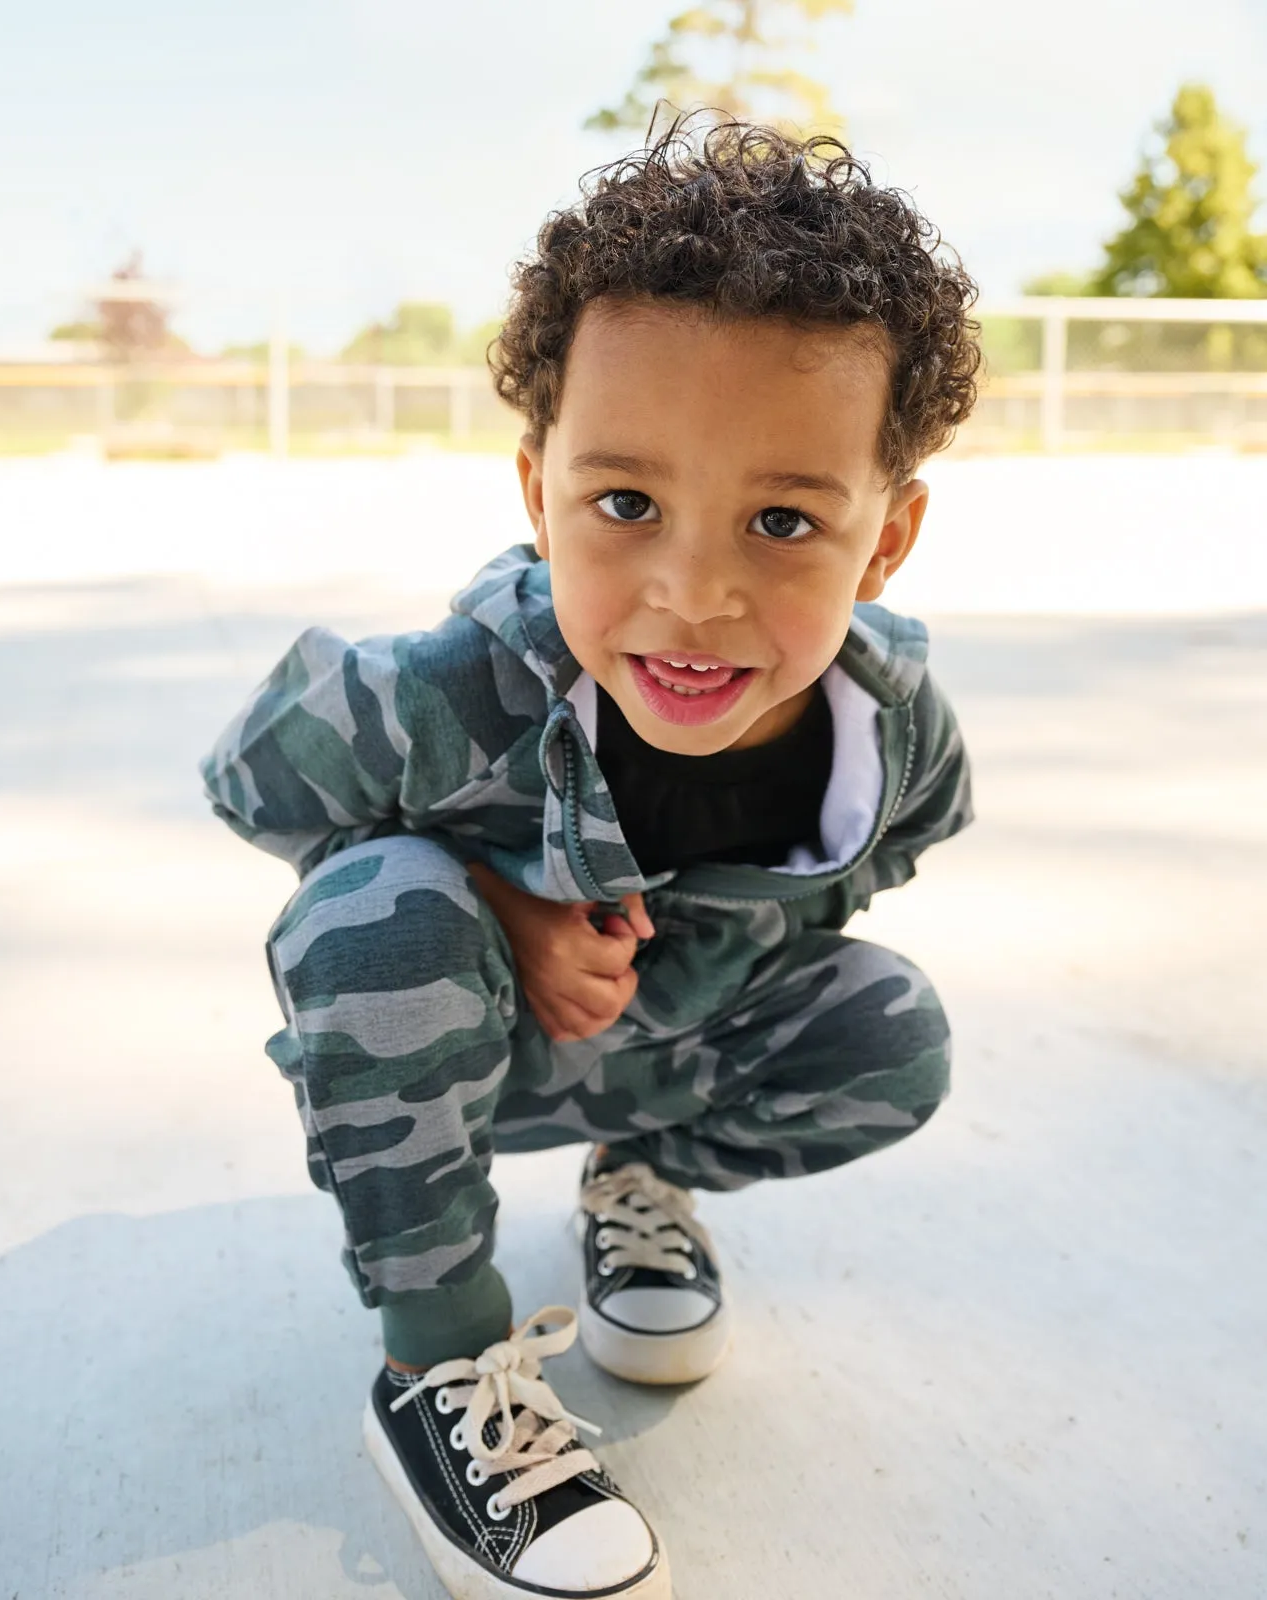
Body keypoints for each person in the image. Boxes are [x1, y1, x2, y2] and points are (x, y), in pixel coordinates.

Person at [201, 118, 980, 1600]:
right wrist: (499, 903)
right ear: (536, 493)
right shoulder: (443, 693)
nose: (693, 593)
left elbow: (874, 883)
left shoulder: (901, 741)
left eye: (784, 520)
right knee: (378, 914)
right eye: (625, 505)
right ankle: (441, 1365)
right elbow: (247, 782)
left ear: (887, 542)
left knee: (892, 1033)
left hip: (659, 1053)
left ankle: (638, 1185)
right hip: (466, 1066)